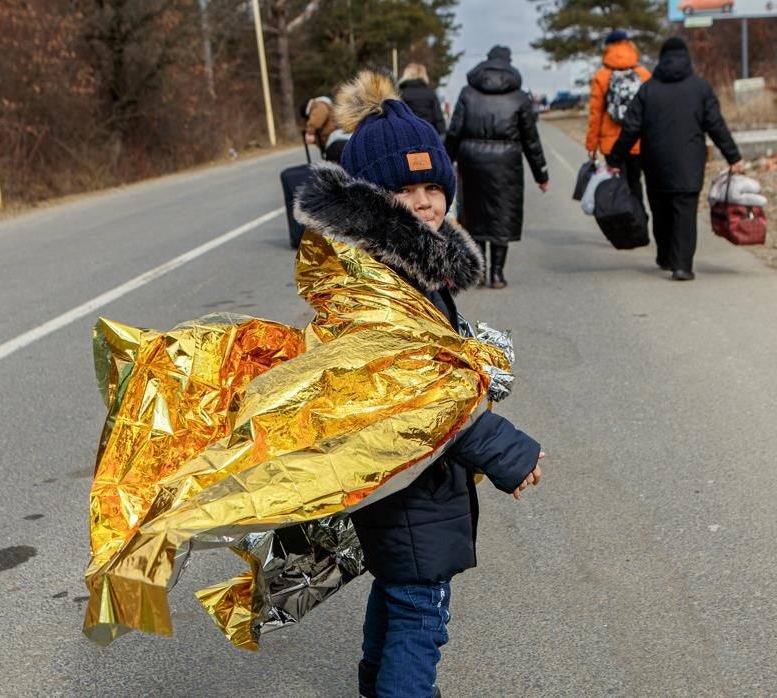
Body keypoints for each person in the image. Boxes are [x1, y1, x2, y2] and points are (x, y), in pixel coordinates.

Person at [296, 69, 544, 698]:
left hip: (404, 472)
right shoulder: (386, 281)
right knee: (421, 613)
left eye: (434, 185)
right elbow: (422, 392)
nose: (426, 201)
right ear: (372, 199)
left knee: (399, 587)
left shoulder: (399, 261)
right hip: (413, 475)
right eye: (406, 190)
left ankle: (376, 683)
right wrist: (506, 452)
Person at [607, 37, 744, 281]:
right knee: (685, 213)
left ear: (662, 59)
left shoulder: (648, 90)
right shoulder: (700, 87)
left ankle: (664, 256)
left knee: (660, 210)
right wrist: (733, 156)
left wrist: (615, 160)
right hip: (689, 162)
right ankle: (682, 266)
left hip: (655, 161)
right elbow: (715, 125)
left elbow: (630, 128)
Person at [445, 45, 549, 289]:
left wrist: (444, 163)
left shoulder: (467, 93)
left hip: (471, 162)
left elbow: (454, 131)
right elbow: (530, 139)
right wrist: (541, 174)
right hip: (507, 164)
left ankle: (479, 272)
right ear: (509, 63)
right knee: (502, 215)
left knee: (475, 215)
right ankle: (498, 275)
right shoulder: (519, 97)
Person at [585, 30, 651, 206]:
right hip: (638, 142)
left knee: (616, 185)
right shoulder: (643, 74)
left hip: (611, 144)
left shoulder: (602, 76)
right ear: (630, 46)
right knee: (635, 183)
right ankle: (640, 224)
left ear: (608, 48)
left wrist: (592, 145)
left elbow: (595, 114)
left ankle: (622, 227)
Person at [398, 63, 446, 135]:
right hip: (428, 134)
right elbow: (438, 119)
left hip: (407, 135)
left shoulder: (401, 94)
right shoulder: (431, 94)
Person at [304, 95, 345, 161]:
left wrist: (309, 132)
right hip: (337, 139)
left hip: (337, 140)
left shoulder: (320, 104)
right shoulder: (323, 104)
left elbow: (318, 118)